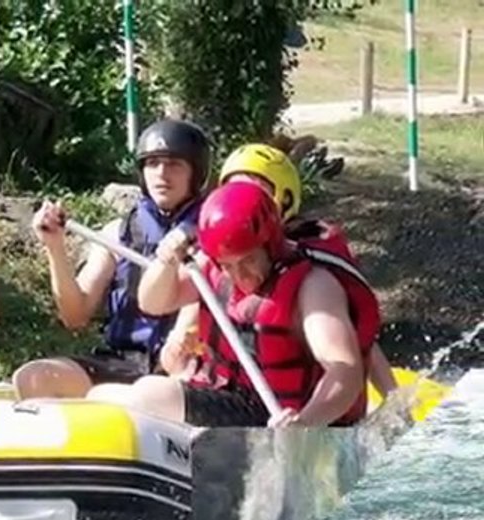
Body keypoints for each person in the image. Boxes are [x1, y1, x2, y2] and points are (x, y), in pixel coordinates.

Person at [113, 180, 381, 428]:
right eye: (227, 265)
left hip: (286, 419)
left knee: (150, 395)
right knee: (104, 394)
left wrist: (304, 425)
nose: (239, 275)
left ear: (271, 244)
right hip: (233, 396)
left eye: (248, 261)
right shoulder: (212, 264)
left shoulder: (313, 286)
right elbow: (152, 303)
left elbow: (344, 371)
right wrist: (166, 260)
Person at [156, 142, 398, 400]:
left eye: (255, 192)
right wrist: (179, 337)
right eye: (233, 190)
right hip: (241, 389)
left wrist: (393, 399)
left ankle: (394, 395)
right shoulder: (220, 248)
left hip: (304, 397)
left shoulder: (314, 260)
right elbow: (205, 292)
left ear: (284, 199)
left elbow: (361, 339)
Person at [11, 118, 212, 400]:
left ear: (196, 173)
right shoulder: (118, 233)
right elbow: (75, 315)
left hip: (180, 369)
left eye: (174, 164)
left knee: (131, 394)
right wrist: (54, 248)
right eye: (152, 163)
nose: (162, 174)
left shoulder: (213, 235)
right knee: (34, 378)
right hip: (121, 361)